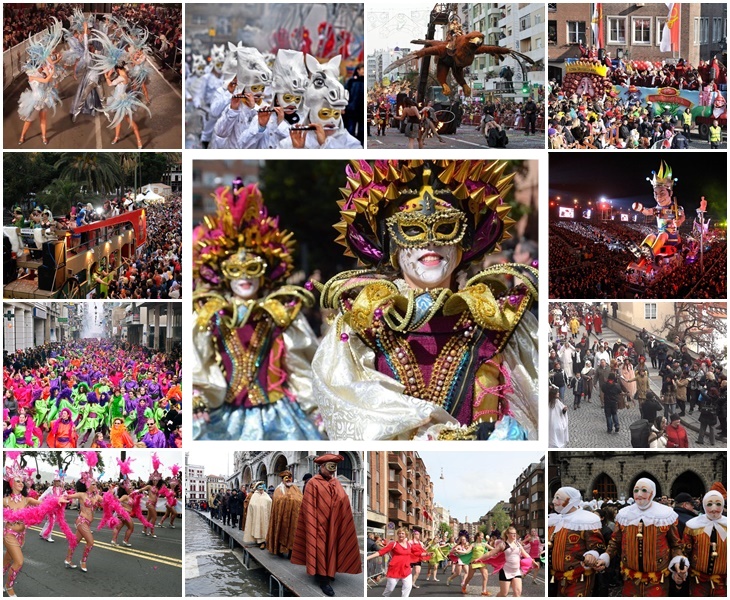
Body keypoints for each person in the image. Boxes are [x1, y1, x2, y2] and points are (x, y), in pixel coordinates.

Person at [312, 160, 538, 441]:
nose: (430, 243)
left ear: (463, 242)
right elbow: (353, 412)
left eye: (446, 228)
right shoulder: (363, 321)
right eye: (413, 230)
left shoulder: (496, 318)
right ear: (392, 244)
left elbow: (532, 406)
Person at [192, 180, 321, 441]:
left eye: (252, 269)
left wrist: (315, 409)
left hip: (278, 416)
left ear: (265, 272)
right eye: (235, 270)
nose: (244, 277)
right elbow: (198, 362)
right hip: (224, 416)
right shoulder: (210, 315)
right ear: (223, 274)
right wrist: (196, 396)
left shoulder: (280, 314)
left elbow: (300, 367)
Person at [594, 477, 686, 596]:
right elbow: (615, 542)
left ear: (652, 493)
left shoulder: (665, 515)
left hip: (658, 579)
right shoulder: (624, 515)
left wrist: (678, 561)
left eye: (644, 490)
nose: (639, 494)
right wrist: (605, 557)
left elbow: (675, 544)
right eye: (636, 490)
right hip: (630, 579)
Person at [290, 454, 362, 596]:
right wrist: (313, 526)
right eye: (329, 469)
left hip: (334, 525)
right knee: (321, 549)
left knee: (332, 547)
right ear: (321, 467)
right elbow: (309, 507)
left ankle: (329, 572)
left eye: (333, 470)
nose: (331, 472)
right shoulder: (313, 483)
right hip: (318, 526)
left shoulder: (336, 482)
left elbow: (343, 499)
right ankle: (323, 580)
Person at [3, 459, 69, 597]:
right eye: (18, 481)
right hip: (9, 534)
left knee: (8, 559)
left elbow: (42, 504)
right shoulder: (4, 501)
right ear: (11, 483)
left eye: (22, 481)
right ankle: (8, 587)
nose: (21, 483)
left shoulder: (26, 500)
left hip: (22, 535)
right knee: (19, 561)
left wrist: (56, 500)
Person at [548, 487, 607, 596]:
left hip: (579, 577)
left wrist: (592, 555)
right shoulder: (553, 521)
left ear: (570, 501)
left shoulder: (585, 521)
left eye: (558, 498)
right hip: (556, 578)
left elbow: (598, 546)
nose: (553, 501)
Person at [18, 19, 63, 145]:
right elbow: (46, 79)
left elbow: (50, 79)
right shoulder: (32, 77)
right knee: (29, 120)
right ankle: (22, 136)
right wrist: (51, 71)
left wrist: (51, 69)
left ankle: (44, 137)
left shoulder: (41, 71)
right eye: (38, 65)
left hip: (44, 99)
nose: (41, 65)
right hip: (35, 100)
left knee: (43, 119)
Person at [678, 488, 726, 596]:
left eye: (718, 504)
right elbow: (684, 551)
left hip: (723, 583)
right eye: (709, 504)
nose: (714, 509)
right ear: (704, 506)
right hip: (697, 581)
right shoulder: (693, 526)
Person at [64, 474, 103, 572]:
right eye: (93, 484)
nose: (95, 486)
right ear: (87, 485)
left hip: (88, 523)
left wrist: (112, 497)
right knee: (90, 542)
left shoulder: (97, 496)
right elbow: (67, 496)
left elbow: (108, 503)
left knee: (75, 541)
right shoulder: (82, 495)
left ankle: (68, 559)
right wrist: (60, 494)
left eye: (95, 484)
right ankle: (83, 561)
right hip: (81, 521)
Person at [367, 527, 415, 597]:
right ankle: (385, 596)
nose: (400, 535)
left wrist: (426, 554)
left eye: (402, 533)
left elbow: (416, 553)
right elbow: (381, 552)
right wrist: (367, 557)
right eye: (399, 533)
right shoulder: (393, 544)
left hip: (406, 569)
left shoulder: (409, 545)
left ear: (406, 535)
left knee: (408, 587)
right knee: (390, 588)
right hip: (395, 569)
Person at [266, 470, 302, 558]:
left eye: (289, 478)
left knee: (293, 533)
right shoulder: (279, 489)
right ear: (282, 480)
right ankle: (279, 550)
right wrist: (287, 499)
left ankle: (291, 551)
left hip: (294, 516)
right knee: (281, 531)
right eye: (286, 478)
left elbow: (301, 499)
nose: (288, 480)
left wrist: (292, 499)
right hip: (282, 516)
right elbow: (277, 500)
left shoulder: (296, 488)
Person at [243, 481, 272, 549]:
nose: (261, 490)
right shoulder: (254, 496)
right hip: (257, 515)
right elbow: (252, 505)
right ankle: (260, 542)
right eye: (260, 489)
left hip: (265, 515)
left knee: (265, 527)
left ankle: (264, 541)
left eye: (262, 489)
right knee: (257, 527)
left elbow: (270, 502)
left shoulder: (266, 495)